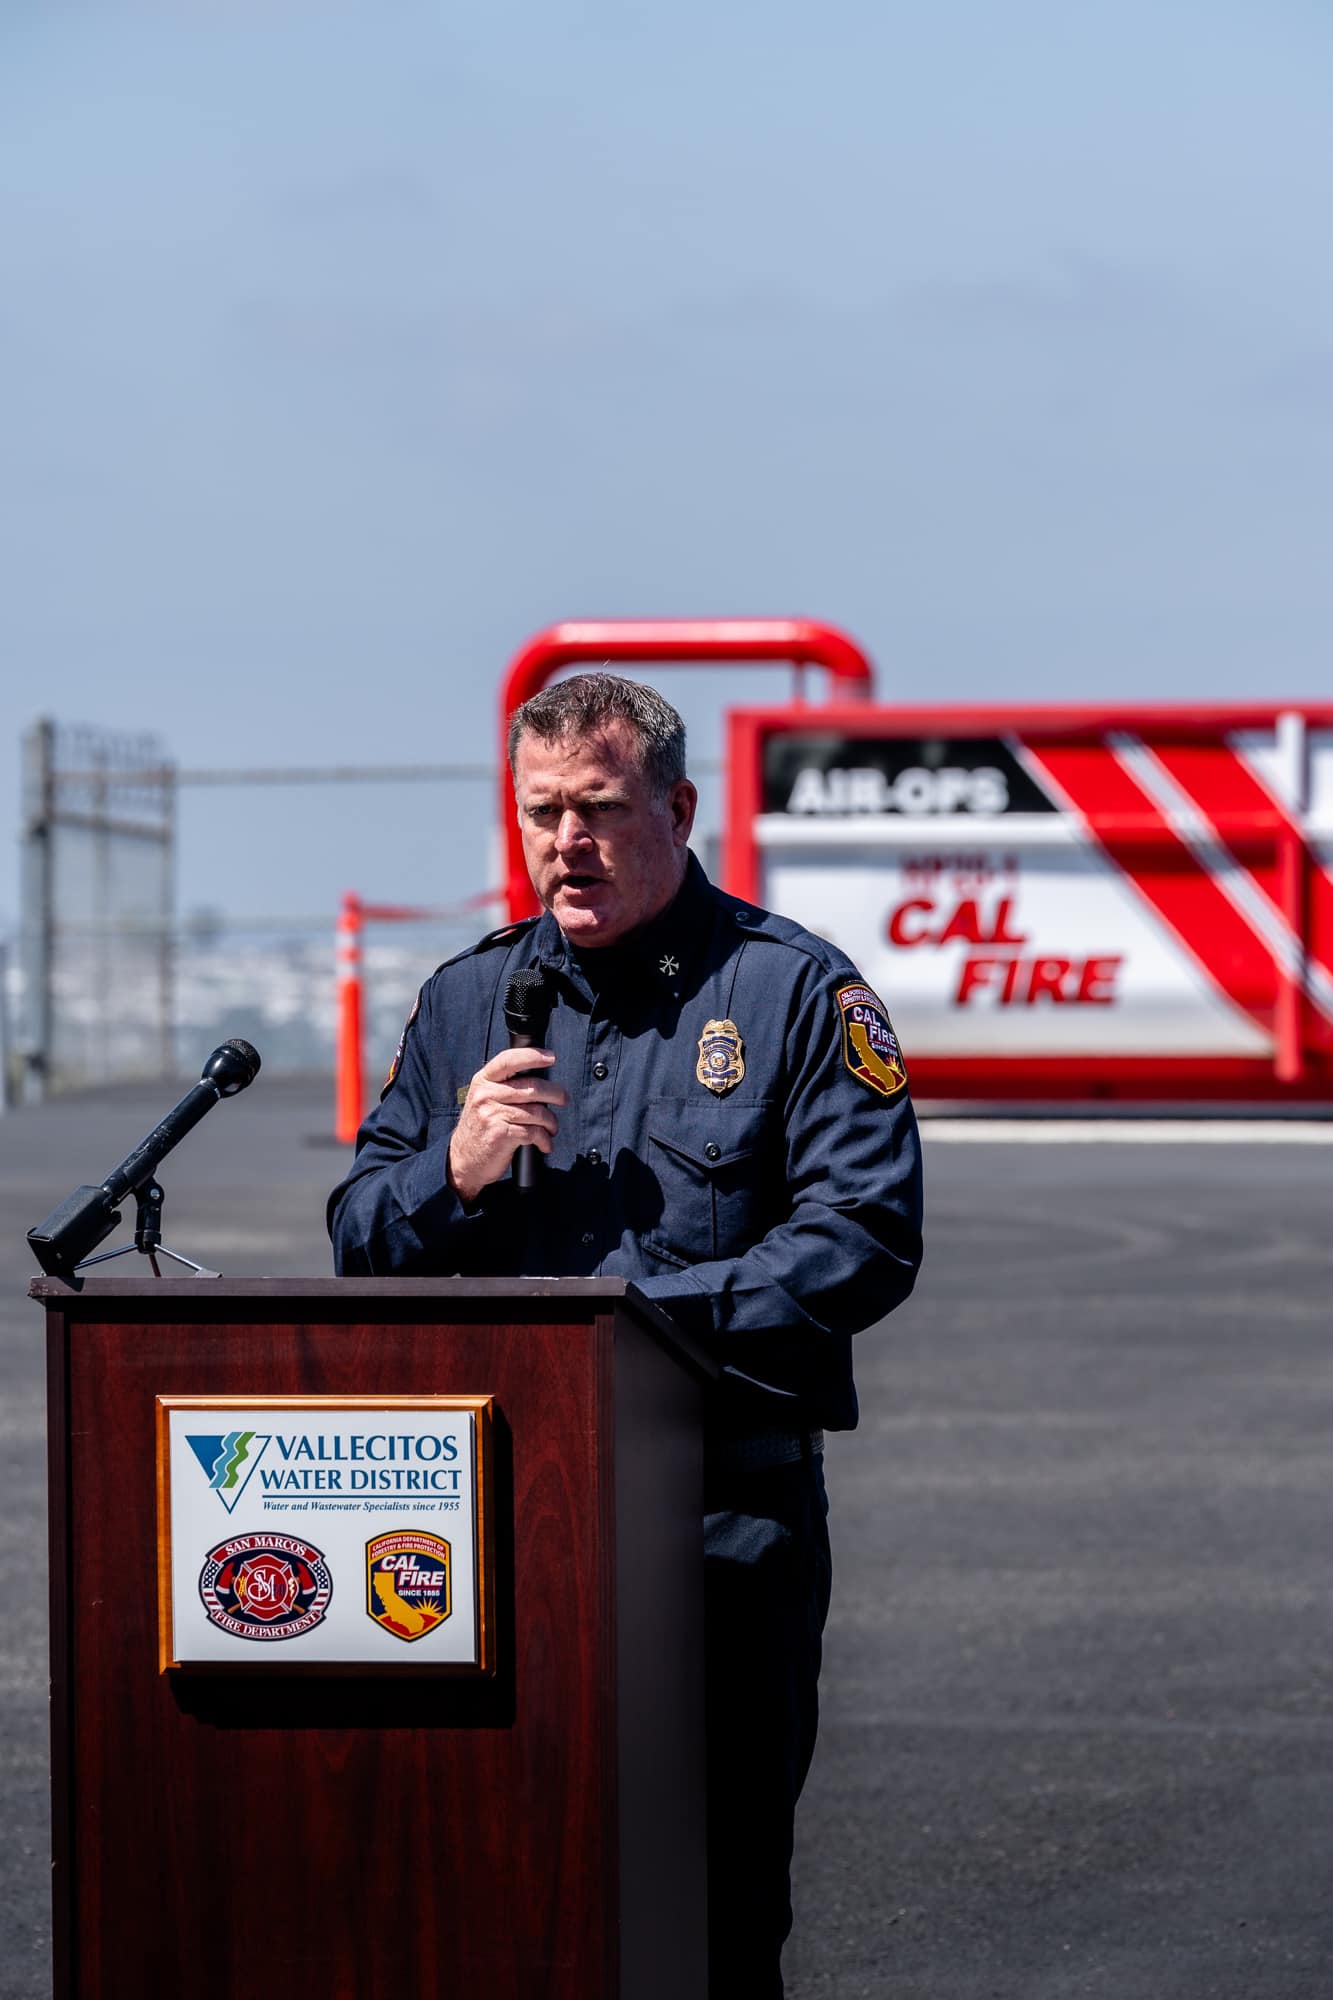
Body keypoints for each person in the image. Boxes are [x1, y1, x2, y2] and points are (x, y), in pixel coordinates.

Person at [328, 673, 924, 1996]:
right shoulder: (465, 1003)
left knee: (713, 1908)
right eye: (541, 812)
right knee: (503, 1890)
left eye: (597, 809)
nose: (566, 843)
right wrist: (453, 1173)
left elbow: (864, 1237)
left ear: (678, 808)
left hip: (717, 1523)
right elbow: (358, 1235)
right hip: (493, 1531)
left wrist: (632, 1331)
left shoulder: (791, 993)